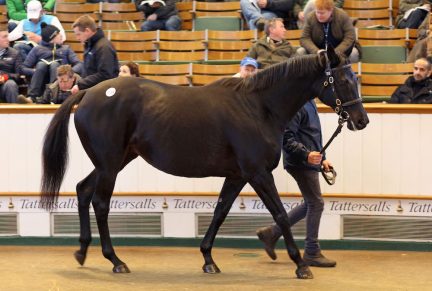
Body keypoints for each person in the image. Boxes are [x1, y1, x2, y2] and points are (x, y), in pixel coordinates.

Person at [256, 99, 337, 268]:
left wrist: (323, 158)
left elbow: (312, 135)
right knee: (316, 203)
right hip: (301, 162)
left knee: (311, 203)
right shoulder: (298, 105)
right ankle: (312, 252)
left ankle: (272, 232)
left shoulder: (310, 102)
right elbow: (286, 138)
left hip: (307, 161)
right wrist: (307, 155)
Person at [21, 22, 83, 102]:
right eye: (58, 34)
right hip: (41, 78)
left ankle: (53, 96)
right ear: (51, 38)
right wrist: (34, 71)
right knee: (41, 65)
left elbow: (79, 64)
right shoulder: (37, 49)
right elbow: (23, 68)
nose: (61, 36)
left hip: (61, 80)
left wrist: (69, 72)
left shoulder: (65, 49)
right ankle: (32, 98)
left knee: (54, 65)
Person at [70, 15, 119, 95]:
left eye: (78, 34)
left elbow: (105, 75)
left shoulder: (104, 47)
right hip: (94, 92)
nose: (77, 38)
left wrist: (81, 84)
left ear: (87, 30)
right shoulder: (90, 46)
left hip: (104, 94)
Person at [0, 30, 23, 103]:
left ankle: (15, 112)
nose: (8, 39)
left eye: (8, 36)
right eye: (4, 37)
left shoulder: (15, 53)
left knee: (11, 84)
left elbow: (18, 75)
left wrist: (5, 77)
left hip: (5, 84)